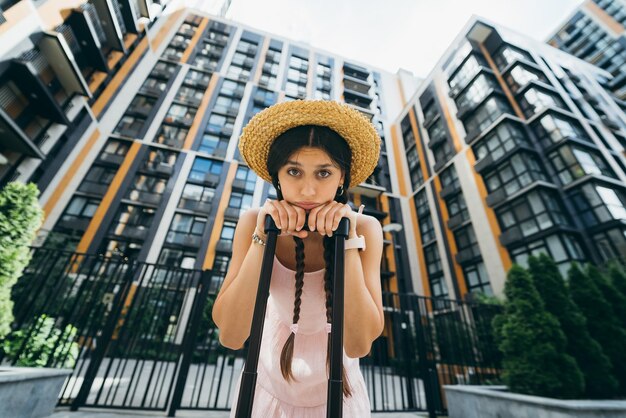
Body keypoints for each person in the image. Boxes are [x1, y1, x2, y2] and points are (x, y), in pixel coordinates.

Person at [212, 99, 385, 417]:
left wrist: (346, 241)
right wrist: (263, 237)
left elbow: (359, 345)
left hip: (336, 395)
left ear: (341, 178)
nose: (307, 190)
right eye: (294, 171)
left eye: (323, 173)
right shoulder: (254, 222)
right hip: (267, 389)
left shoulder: (366, 230)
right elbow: (231, 334)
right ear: (277, 177)